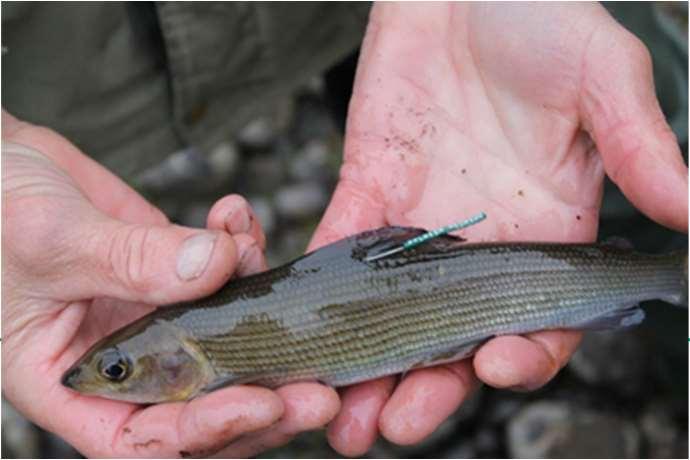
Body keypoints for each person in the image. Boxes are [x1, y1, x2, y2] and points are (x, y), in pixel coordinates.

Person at [2, 2, 687, 458]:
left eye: (118, 369)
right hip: (76, 74)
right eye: (116, 371)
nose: (99, 378)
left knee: (599, 169)